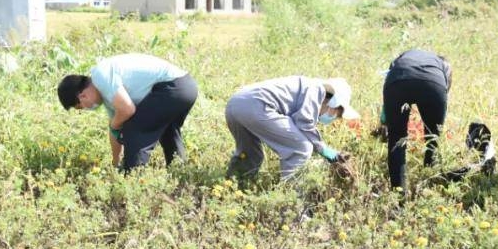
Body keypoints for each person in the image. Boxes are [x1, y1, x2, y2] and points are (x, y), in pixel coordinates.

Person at [57, 53, 198, 171]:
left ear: (82, 96)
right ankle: (179, 171)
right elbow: (115, 130)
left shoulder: (100, 75)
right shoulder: (109, 95)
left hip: (173, 87)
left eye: (80, 107)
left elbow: (127, 110)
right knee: (168, 131)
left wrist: (115, 125)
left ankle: (133, 178)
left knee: (135, 129)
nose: (86, 110)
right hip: (185, 86)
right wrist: (115, 161)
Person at [224, 76, 360, 181]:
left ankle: (232, 187)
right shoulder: (317, 90)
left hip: (235, 105)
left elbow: (296, 127)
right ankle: (293, 205)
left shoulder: (306, 86)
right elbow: (304, 123)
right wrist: (324, 149)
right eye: (337, 115)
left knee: (250, 154)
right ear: (333, 103)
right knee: (301, 148)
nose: (334, 119)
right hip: (257, 106)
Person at [380, 49, 452, 191]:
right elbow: (445, 87)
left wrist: (386, 117)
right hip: (433, 83)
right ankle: (428, 188)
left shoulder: (403, 57)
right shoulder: (442, 64)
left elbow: (390, 75)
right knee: (433, 138)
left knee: (396, 139)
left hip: (397, 80)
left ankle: (398, 196)